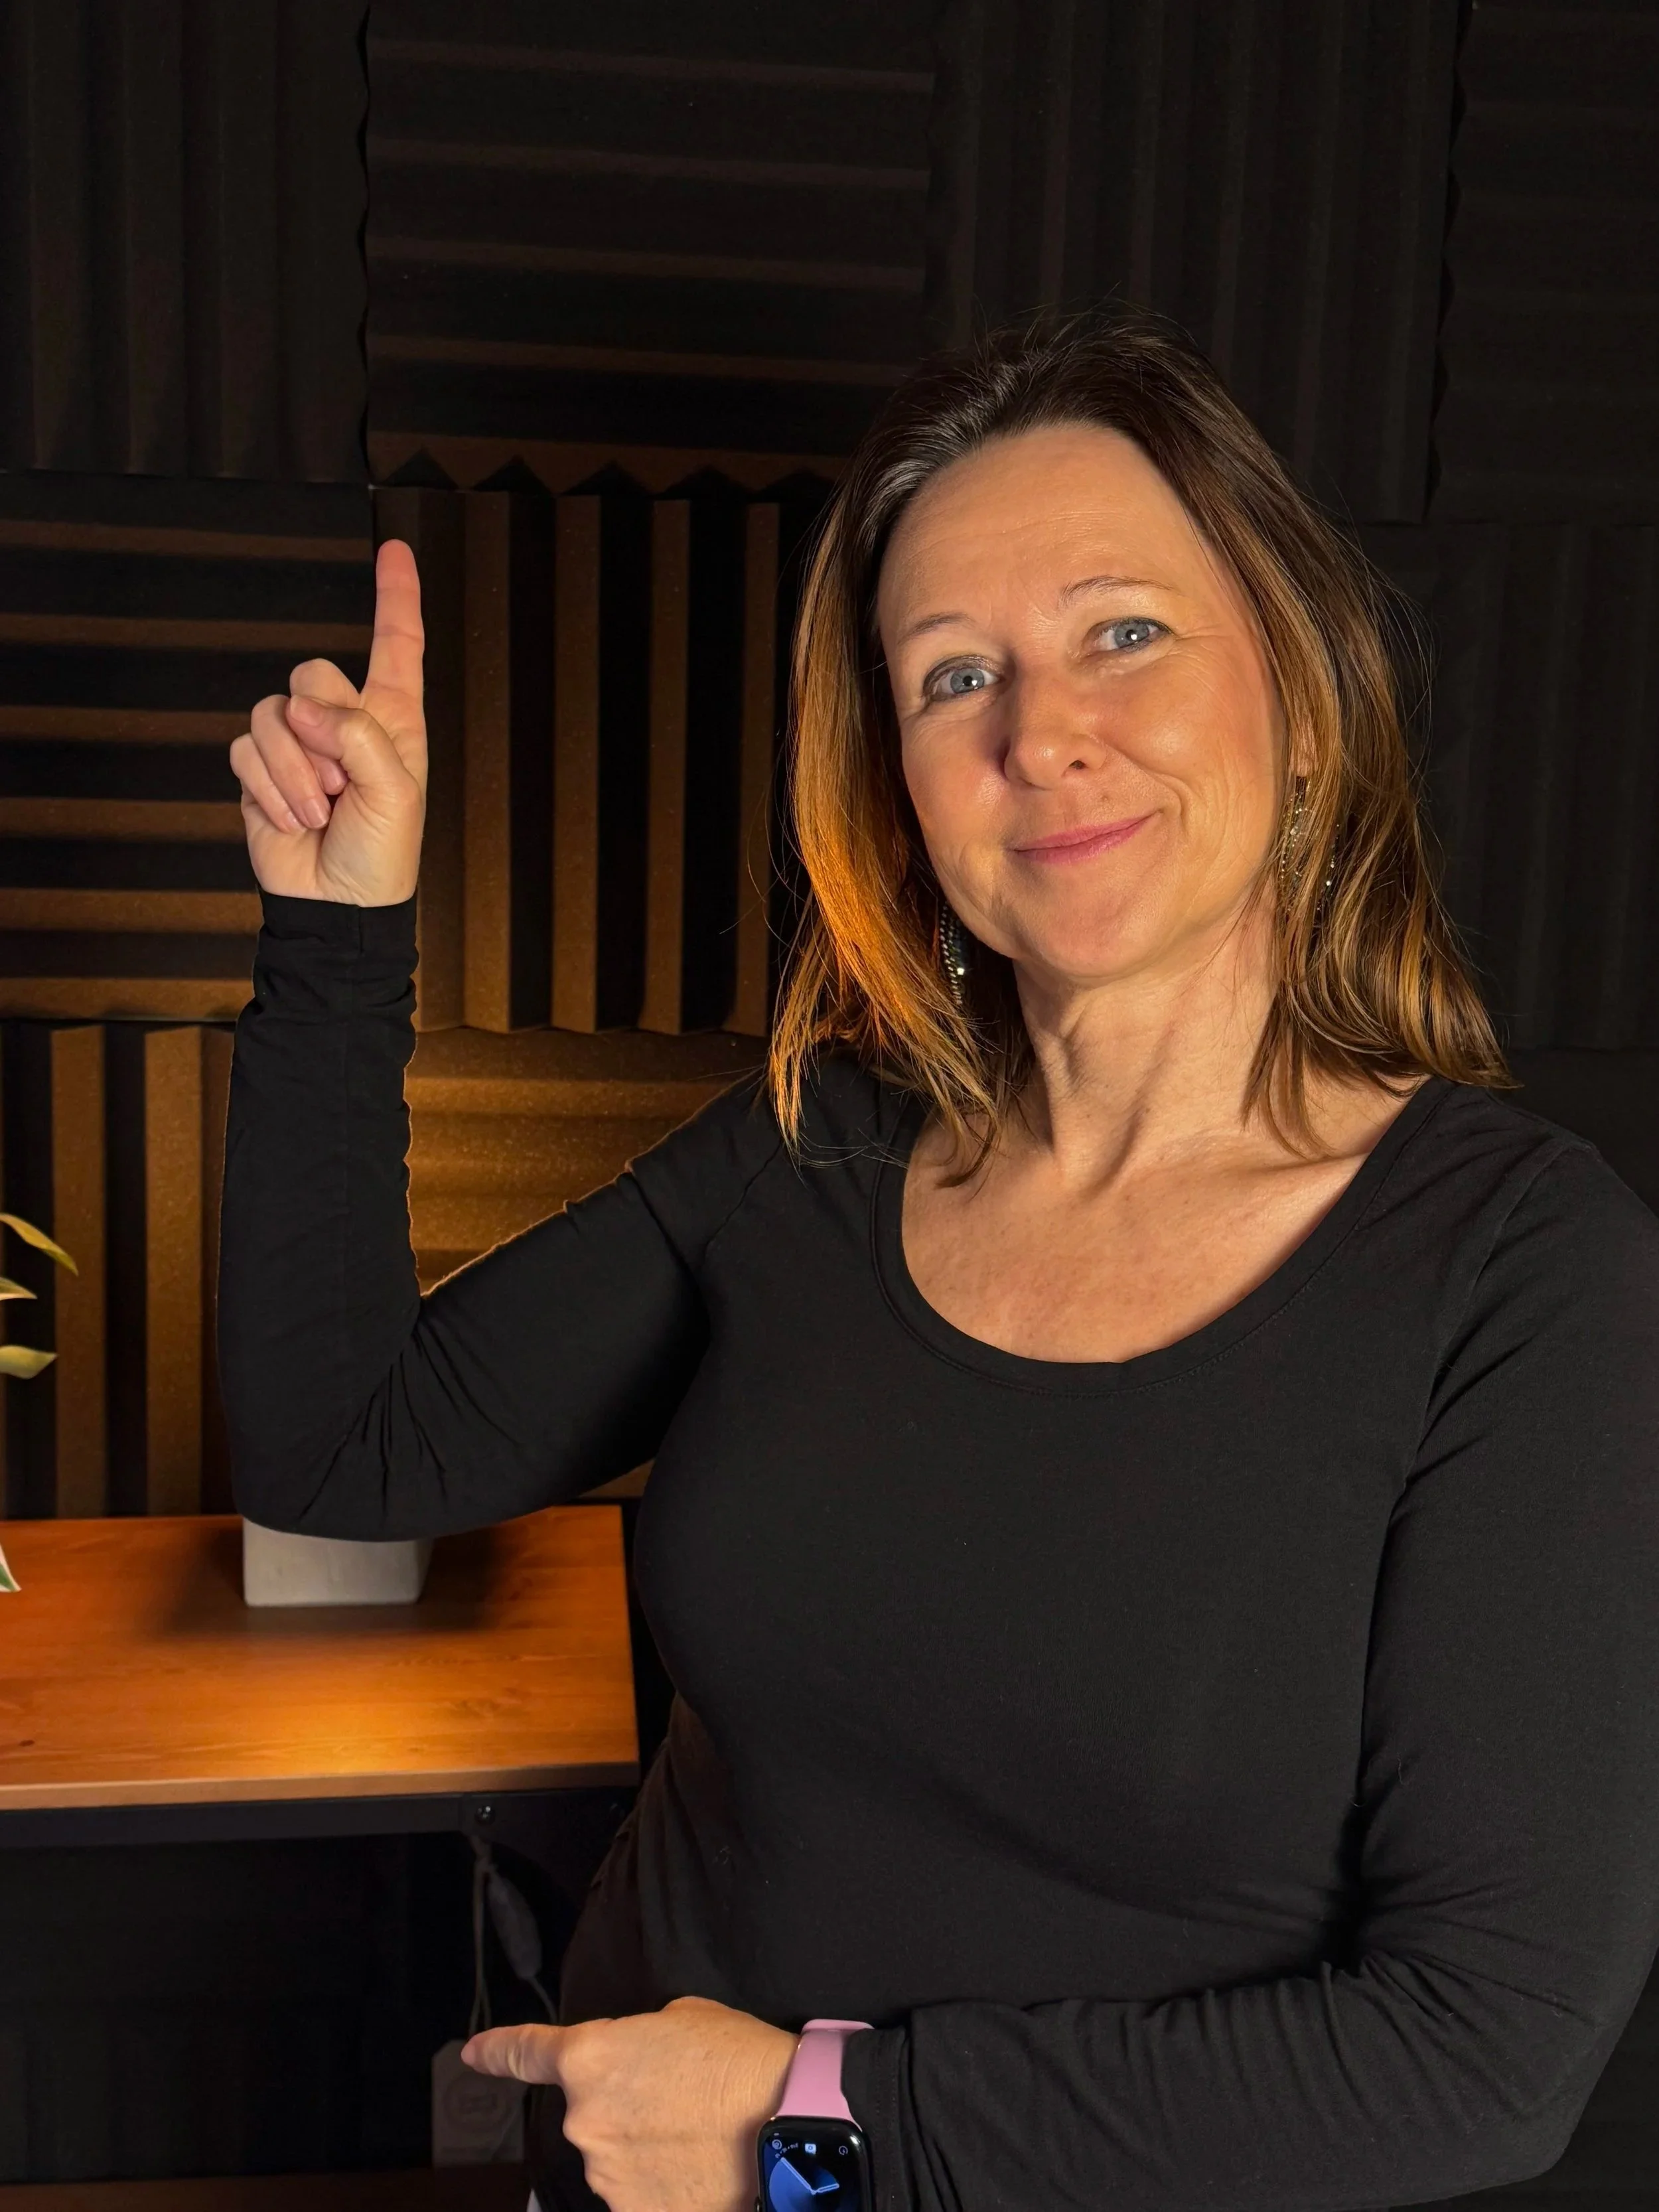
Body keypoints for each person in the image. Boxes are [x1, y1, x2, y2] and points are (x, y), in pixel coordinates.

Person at [220, 310, 1659, 2212]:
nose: (1040, 731)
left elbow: (1477, 2054)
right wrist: (337, 942)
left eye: (1122, 631)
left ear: (1296, 696)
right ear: (893, 776)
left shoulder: (1514, 1271)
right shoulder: (818, 1146)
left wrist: (806, 2134)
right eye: (950, 671)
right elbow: (344, 1453)